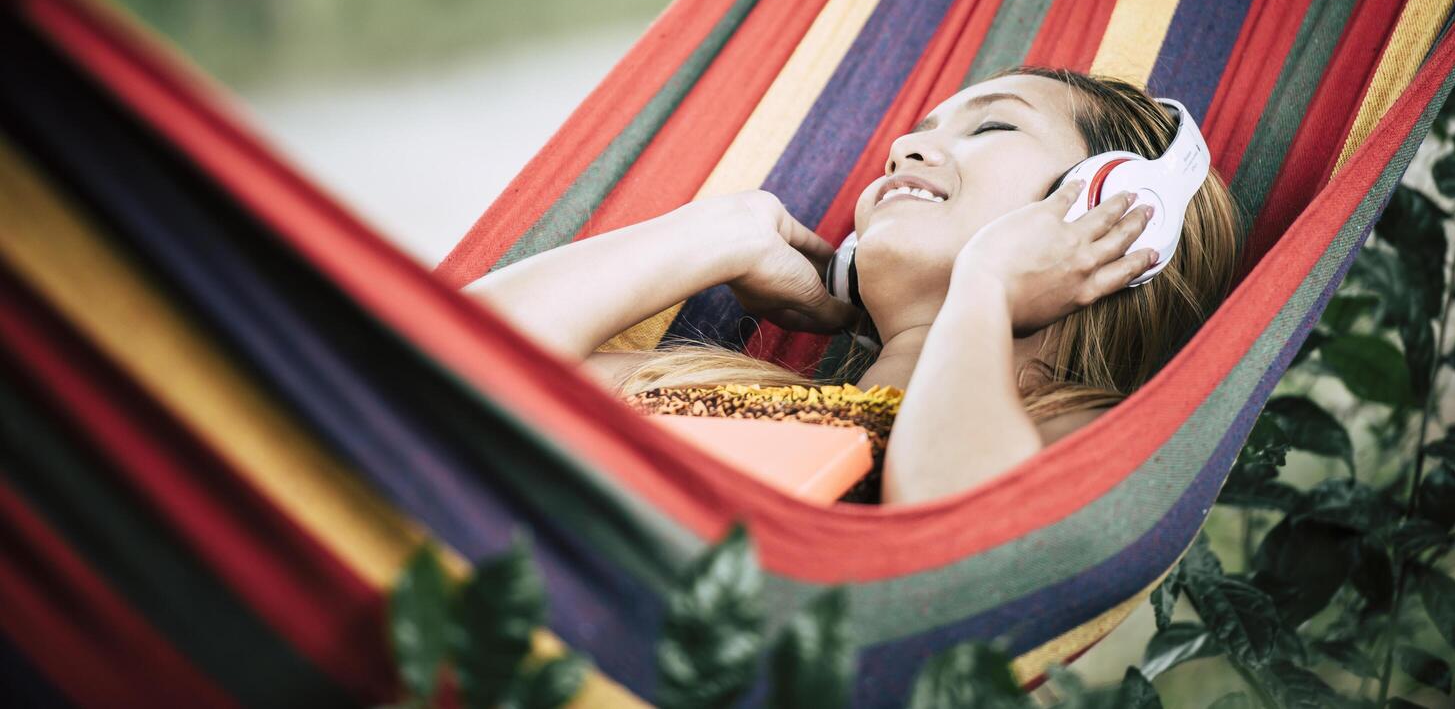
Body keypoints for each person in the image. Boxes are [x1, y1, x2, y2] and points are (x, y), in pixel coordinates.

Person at [467, 66, 1244, 505]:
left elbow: (949, 529)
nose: (906, 145)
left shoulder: (1083, 431)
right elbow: (424, 371)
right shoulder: (713, 385)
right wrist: (722, 231)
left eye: (990, 128)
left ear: (1107, 208)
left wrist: (989, 286)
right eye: (922, 128)